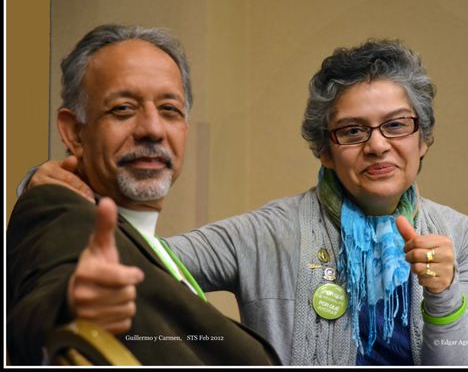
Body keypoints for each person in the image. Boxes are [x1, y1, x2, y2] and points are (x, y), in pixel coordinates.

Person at [18, 39, 468, 365]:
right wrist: (53, 195)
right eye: (352, 131)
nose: (377, 145)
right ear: (324, 151)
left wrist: (442, 293)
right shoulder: (269, 231)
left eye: (396, 124)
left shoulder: (462, 236)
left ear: (422, 138)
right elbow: (140, 264)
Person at [6, 24, 280, 366]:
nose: (152, 128)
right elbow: (33, 314)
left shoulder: (153, 249)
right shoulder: (57, 207)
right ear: (74, 131)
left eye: (169, 110)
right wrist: (71, 307)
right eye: (123, 108)